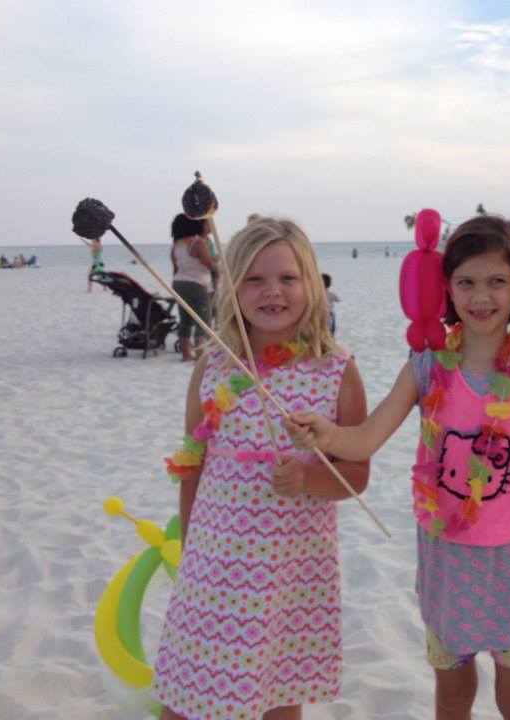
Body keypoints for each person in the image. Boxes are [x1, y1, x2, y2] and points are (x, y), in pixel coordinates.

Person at [286, 215, 510, 720]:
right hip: (446, 564)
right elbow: (367, 436)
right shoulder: (426, 367)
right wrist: (325, 435)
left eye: (496, 281)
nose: (481, 297)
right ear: (447, 289)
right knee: (453, 696)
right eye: (466, 283)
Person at [151, 217, 370, 720]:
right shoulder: (214, 366)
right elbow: (192, 465)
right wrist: (189, 548)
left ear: (309, 284)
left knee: (275, 695)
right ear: (231, 286)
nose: (272, 291)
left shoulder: (335, 370)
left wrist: (307, 479)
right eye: (254, 278)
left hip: (289, 572)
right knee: (185, 695)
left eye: (287, 278)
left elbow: (355, 477)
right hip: (213, 565)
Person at [170, 213, 218, 361]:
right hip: (197, 283)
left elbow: (176, 267)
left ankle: (186, 355)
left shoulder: (177, 245)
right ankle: (200, 356)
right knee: (203, 320)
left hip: (178, 283)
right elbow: (207, 263)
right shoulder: (198, 243)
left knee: (185, 320)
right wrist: (221, 268)